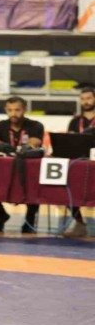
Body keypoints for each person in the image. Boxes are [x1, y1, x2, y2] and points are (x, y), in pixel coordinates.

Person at [0, 96, 44, 234]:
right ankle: (1, 214)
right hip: (4, 169)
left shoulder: (35, 125)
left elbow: (34, 143)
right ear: (5, 110)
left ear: (24, 110)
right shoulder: (0, 125)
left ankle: (30, 219)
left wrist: (12, 148)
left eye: (17, 110)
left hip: (27, 168)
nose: (13, 114)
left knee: (35, 185)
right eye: (10, 110)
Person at [62, 88, 94, 237]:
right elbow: (69, 141)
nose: (85, 102)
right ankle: (79, 222)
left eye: (89, 98)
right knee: (65, 188)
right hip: (79, 161)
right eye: (83, 99)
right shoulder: (75, 121)